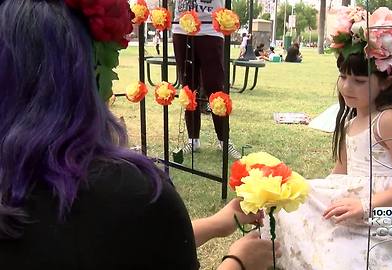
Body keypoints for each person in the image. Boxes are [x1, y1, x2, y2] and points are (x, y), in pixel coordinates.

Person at [0, 0, 280, 269]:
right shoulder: (134, 193)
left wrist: (218, 223)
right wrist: (239, 263)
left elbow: (124, 244)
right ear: (87, 70)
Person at [263, 7, 392, 269]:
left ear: (386, 81)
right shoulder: (351, 123)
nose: (346, 87)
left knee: (341, 257)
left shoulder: (388, 120)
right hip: (356, 206)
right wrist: (308, 191)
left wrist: (365, 205)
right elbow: (339, 174)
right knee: (292, 210)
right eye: (343, 77)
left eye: (358, 80)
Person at [173, 0, 241, 159]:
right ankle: (193, 138)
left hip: (210, 28)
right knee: (188, 89)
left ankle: (224, 140)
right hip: (182, 27)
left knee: (216, 88)